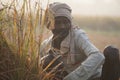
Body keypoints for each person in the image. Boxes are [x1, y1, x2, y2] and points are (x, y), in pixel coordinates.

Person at [40, 2, 105, 80]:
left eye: (65, 22)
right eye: (57, 23)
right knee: (46, 60)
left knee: (112, 51)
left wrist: (73, 78)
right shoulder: (46, 45)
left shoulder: (78, 36)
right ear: (49, 25)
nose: (62, 26)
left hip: (93, 77)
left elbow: (98, 56)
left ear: (70, 23)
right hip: (66, 76)